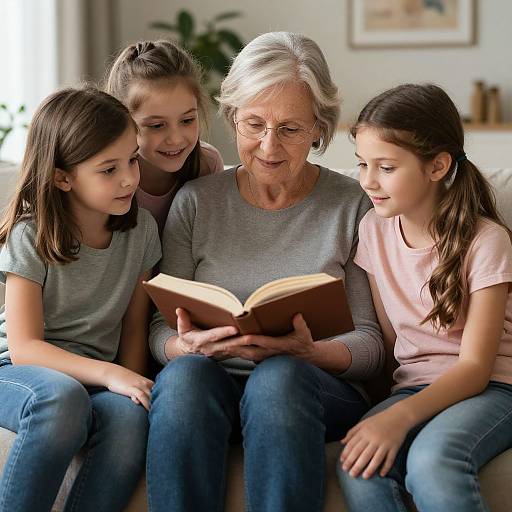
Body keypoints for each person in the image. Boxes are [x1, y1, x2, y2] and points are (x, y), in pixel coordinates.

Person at [147, 31, 384, 512]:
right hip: (212, 385)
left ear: (319, 128)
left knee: (279, 376)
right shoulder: (195, 202)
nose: (268, 146)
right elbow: (158, 329)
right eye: (253, 124)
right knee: (184, 378)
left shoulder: (352, 204)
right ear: (232, 117)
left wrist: (310, 352)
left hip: (312, 393)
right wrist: (182, 344)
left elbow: (372, 346)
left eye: (290, 130)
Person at [337, 83, 512, 512]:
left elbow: (474, 368)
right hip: (413, 387)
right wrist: (384, 413)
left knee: (432, 461)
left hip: (493, 388)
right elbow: (395, 346)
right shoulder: (373, 232)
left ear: (437, 166)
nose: (368, 181)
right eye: (362, 164)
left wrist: (399, 418)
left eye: (386, 167)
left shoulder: (487, 240)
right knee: (357, 463)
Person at [0, 87, 161, 512]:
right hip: (19, 370)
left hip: (91, 379)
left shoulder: (141, 231)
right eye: (108, 169)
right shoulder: (29, 237)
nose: (129, 178)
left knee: (130, 419)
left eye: (132, 160)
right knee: (62, 397)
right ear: (62, 176)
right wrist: (109, 374)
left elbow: (133, 327)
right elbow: (24, 349)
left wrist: (127, 381)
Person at [105, 39, 224, 234]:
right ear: (121, 121)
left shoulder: (207, 164)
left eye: (187, 120)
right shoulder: (105, 176)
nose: (175, 139)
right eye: (157, 125)